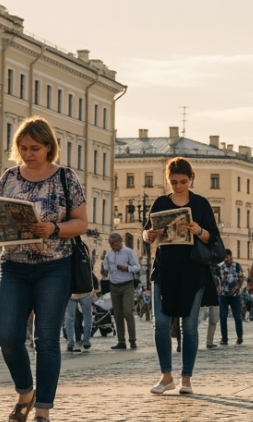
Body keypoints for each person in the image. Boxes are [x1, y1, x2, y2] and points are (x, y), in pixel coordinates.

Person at [0, 116, 88, 422]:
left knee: (46, 339)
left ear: (49, 147)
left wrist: (53, 228)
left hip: (54, 266)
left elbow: (81, 223)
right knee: (7, 336)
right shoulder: (10, 177)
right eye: (23, 148)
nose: (28, 154)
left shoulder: (66, 177)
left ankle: (43, 411)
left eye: (35, 148)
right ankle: (25, 391)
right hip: (14, 266)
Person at [143, 156, 220, 395]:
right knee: (160, 324)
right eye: (173, 182)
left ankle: (186, 378)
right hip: (165, 269)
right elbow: (146, 233)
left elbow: (213, 237)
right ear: (168, 180)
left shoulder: (201, 204)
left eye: (183, 182)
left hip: (193, 270)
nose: (178, 186)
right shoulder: (160, 202)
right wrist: (149, 235)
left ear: (191, 179)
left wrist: (198, 230)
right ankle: (166, 376)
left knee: (189, 326)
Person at [102, 233, 140, 349]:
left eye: (114, 243)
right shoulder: (108, 255)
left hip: (127, 285)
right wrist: (105, 272)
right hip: (114, 286)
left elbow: (137, 267)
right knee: (117, 315)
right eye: (110, 243)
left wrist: (127, 268)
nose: (112, 245)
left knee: (127, 312)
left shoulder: (129, 252)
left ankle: (132, 340)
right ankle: (121, 341)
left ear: (120, 241)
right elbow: (105, 267)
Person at [215, 249, 244, 345]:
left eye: (227, 257)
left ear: (231, 256)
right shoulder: (221, 268)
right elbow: (219, 282)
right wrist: (220, 286)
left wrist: (236, 289)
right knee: (223, 317)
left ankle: (240, 337)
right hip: (224, 295)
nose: (225, 259)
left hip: (235, 295)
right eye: (224, 258)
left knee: (238, 316)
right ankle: (224, 338)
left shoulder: (237, 266)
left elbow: (241, 279)